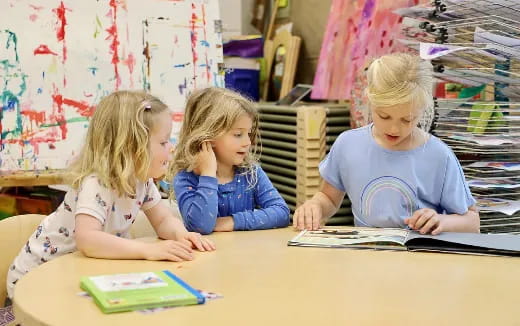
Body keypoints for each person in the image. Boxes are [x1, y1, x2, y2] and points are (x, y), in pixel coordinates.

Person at [6, 90, 215, 301]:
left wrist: (181, 234)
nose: (170, 149)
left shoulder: (141, 181)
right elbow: (88, 239)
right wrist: (148, 250)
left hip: (81, 273)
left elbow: (162, 220)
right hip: (37, 283)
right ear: (132, 147)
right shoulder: (97, 183)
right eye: (163, 143)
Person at [293, 53, 479, 235]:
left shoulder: (439, 155)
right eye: (384, 116)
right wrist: (315, 206)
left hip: (421, 259)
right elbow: (329, 199)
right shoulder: (347, 145)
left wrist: (442, 221)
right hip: (368, 258)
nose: (394, 129)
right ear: (370, 101)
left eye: (407, 120)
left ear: (422, 111)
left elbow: (472, 222)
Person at [170, 87, 290, 235]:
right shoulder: (186, 178)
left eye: (249, 133)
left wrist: (233, 221)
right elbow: (201, 226)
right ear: (208, 136)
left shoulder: (251, 172)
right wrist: (208, 174)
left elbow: (281, 212)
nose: (247, 142)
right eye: (238, 134)